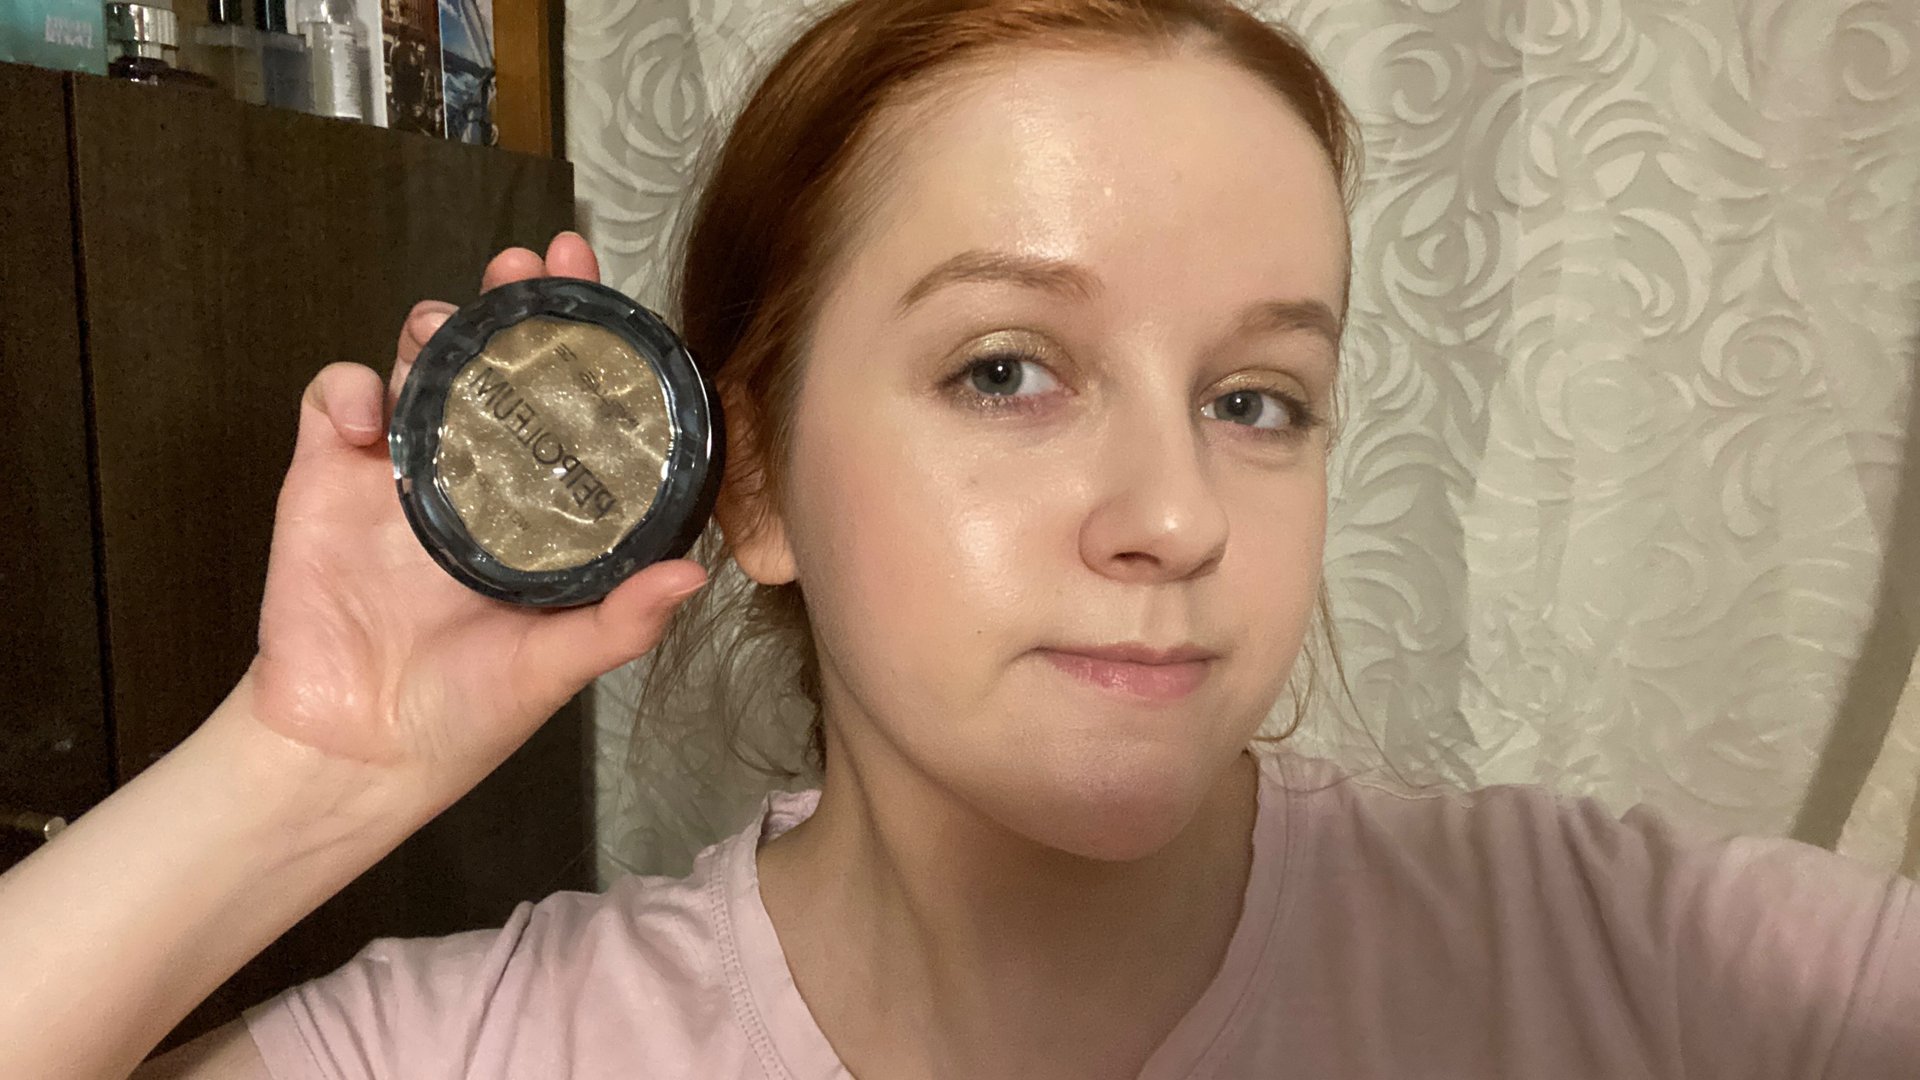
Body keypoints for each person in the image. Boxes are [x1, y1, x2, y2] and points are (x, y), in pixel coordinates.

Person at [3, 1, 1916, 1077]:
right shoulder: (517, 1048)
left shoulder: (1633, 964)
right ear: (751, 478)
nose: (1175, 519)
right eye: (1008, 371)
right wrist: (305, 767)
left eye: (1258, 399)